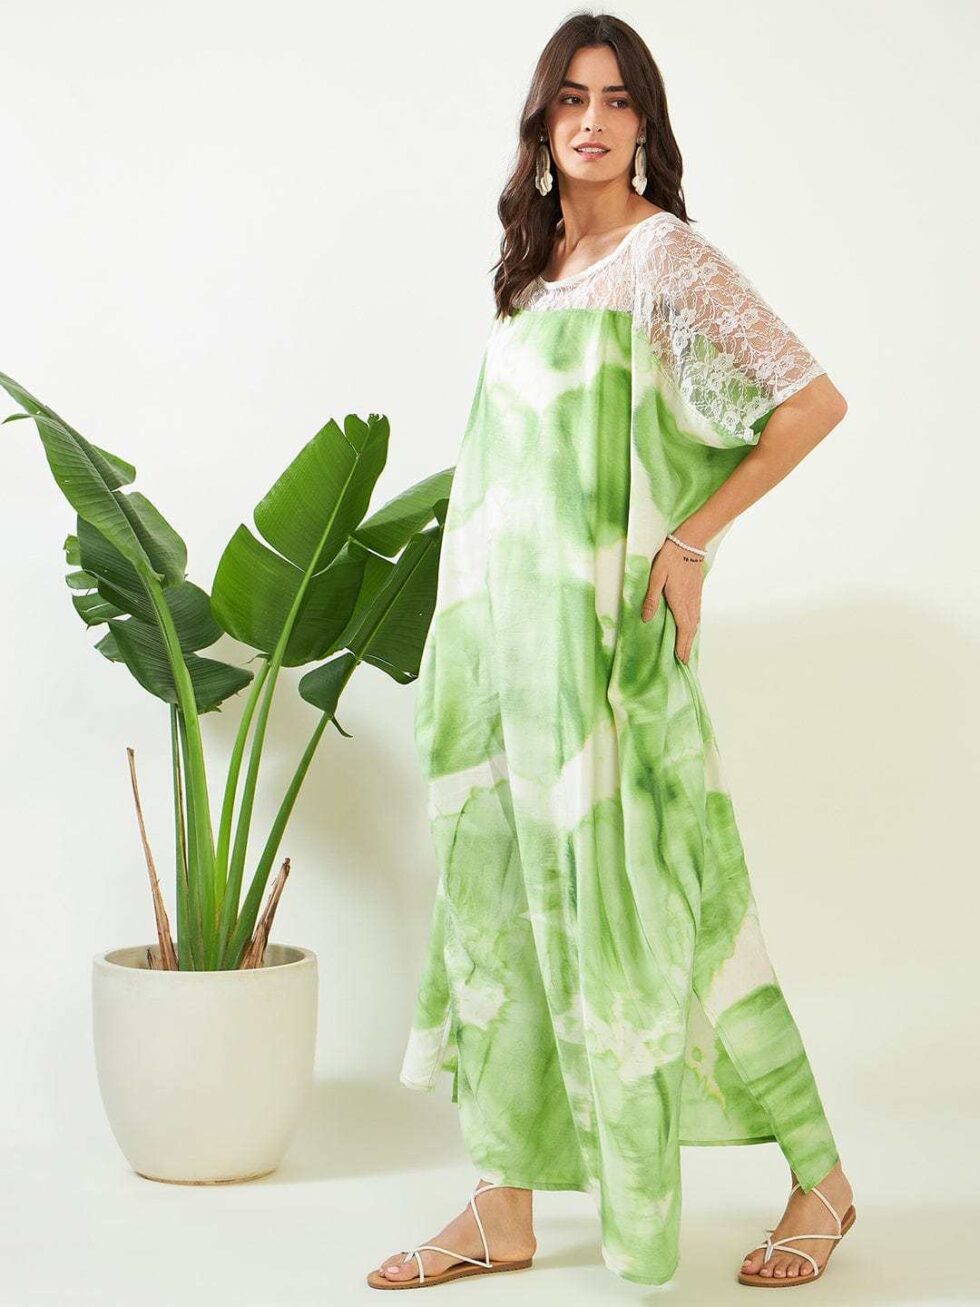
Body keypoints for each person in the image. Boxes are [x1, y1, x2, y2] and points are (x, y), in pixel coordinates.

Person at [368, 10, 855, 1292]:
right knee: (497, 914)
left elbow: (808, 403)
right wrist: (461, 646)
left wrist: (687, 543)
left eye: (617, 99)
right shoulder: (529, 279)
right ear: (540, 123)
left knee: (669, 911)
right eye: (571, 98)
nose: (592, 120)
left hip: (601, 664)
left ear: (644, 124)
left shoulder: (663, 259)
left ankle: (819, 1175)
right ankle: (500, 1203)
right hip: (499, 663)